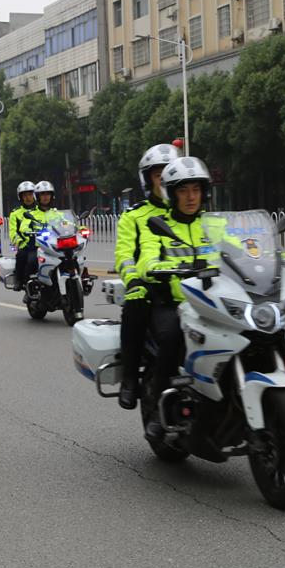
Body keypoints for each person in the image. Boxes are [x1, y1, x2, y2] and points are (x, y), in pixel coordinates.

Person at [138, 157, 222, 439]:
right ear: (172, 194)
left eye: (196, 190)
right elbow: (147, 260)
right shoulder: (157, 226)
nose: (190, 197)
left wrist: (277, 258)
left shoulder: (215, 225)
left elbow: (243, 248)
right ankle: (159, 410)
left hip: (215, 301)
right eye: (183, 191)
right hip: (175, 302)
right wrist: (160, 268)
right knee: (173, 337)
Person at [113, 143, 180, 410]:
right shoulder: (135, 216)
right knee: (136, 306)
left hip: (195, 288)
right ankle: (130, 379)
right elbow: (124, 254)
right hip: (153, 288)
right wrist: (134, 280)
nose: (164, 179)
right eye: (157, 174)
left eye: (169, 172)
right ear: (147, 179)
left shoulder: (194, 213)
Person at [8, 181, 41, 300]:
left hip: (45, 243)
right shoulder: (16, 213)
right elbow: (12, 231)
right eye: (25, 195)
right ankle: (24, 284)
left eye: (30, 194)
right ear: (20, 197)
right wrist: (20, 242)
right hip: (27, 244)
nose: (28, 197)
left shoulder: (42, 209)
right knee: (28, 258)